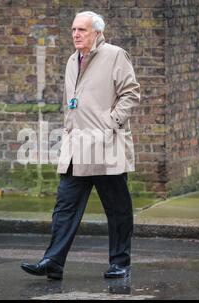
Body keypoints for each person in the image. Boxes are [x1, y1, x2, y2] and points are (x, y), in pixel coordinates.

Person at [21, 11, 140, 280]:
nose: (75, 34)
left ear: (96, 32)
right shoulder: (72, 61)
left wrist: (112, 123)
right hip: (77, 147)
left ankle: (120, 263)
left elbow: (131, 93)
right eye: (73, 29)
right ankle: (53, 261)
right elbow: (69, 102)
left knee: (117, 208)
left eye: (82, 30)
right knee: (65, 208)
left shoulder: (115, 55)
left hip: (106, 146)